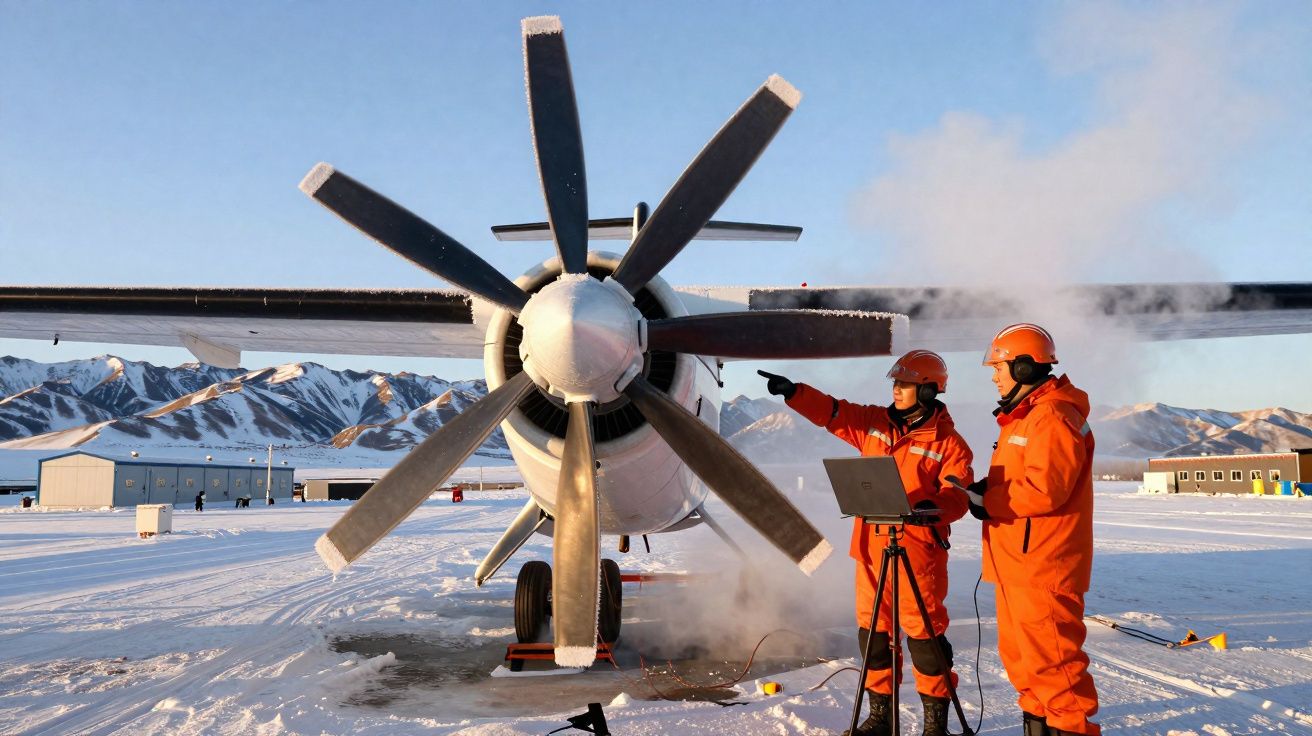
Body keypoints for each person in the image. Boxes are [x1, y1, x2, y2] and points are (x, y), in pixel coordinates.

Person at [761, 349, 972, 736]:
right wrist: (794, 393)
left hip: (919, 551)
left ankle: (934, 725)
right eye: (895, 382)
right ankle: (879, 717)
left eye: (906, 384)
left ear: (928, 390)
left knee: (925, 639)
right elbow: (834, 413)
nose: (897, 390)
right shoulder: (875, 422)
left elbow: (958, 494)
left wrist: (934, 506)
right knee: (873, 636)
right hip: (872, 548)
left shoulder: (950, 444)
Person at [966, 323, 1100, 736]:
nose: (994, 375)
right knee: (1024, 665)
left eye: (1000, 367)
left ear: (1024, 368)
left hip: (1043, 565)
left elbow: (1045, 490)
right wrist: (988, 490)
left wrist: (988, 501)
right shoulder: (1023, 418)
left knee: (1056, 671)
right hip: (1017, 563)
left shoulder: (1053, 415)